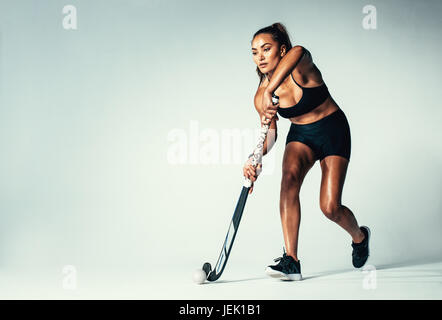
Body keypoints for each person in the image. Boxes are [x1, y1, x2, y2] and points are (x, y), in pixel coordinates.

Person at [243, 22, 370, 281]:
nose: (260, 57)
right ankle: (291, 261)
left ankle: (360, 236)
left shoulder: (300, 66)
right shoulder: (261, 97)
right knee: (288, 181)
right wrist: (254, 158)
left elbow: (299, 50)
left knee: (330, 207)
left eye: (266, 49)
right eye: (255, 52)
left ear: (281, 50)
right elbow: (270, 134)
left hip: (333, 129)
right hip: (301, 136)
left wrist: (270, 90)